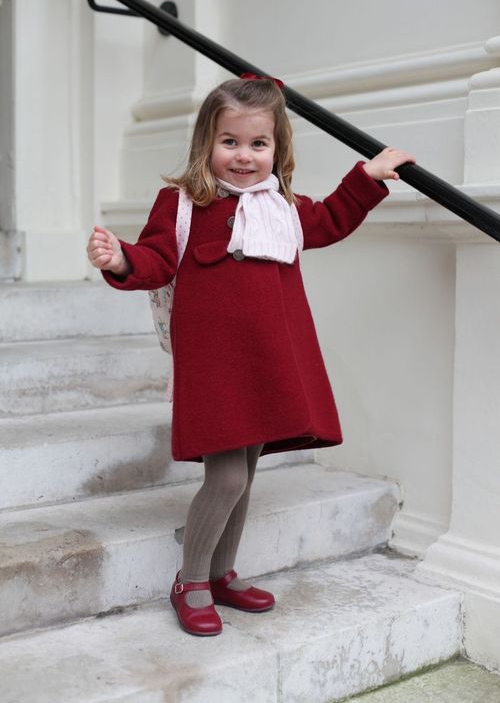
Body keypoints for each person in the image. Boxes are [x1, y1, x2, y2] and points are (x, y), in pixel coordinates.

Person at [87, 75, 415, 637]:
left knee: (249, 470)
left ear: (277, 150)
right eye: (230, 142)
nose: (243, 156)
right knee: (227, 479)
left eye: (257, 144)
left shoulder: (282, 205)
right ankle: (190, 580)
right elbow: (157, 259)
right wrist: (120, 258)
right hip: (217, 367)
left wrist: (367, 177)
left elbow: (332, 218)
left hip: (268, 361)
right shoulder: (184, 204)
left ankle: (220, 572)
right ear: (205, 144)